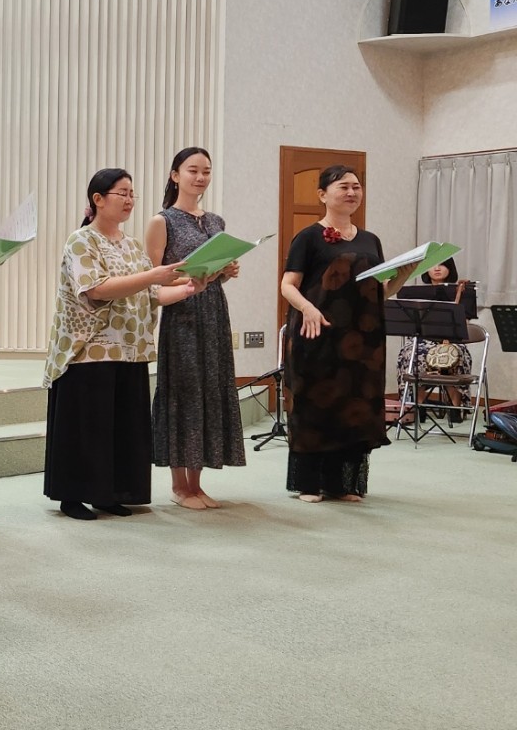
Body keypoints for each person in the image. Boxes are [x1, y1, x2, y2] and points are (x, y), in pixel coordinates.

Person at [43, 169, 200, 520]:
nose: (129, 200)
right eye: (122, 193)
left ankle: (109, 493)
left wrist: (191, 288)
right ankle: (73, 496)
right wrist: (152, 275)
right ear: (98, 199)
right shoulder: (82, 240)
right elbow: (96, 289)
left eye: (132, 194)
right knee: (88, 427)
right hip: (89, 348)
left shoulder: (131, 245)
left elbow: (151, 293)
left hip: (130, 347)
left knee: (120, 426)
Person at [279, 165, 414, 503]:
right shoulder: (308, 237)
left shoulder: (371, 240)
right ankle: (309, 484)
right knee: (315, 404)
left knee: (355, 405)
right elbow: (288, 285)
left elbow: (381, 290)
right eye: (343, 186)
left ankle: (342, 484)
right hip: (317, 332)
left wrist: (403, 275)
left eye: (357, 186)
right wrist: (308, 308)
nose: (352, 192)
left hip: (362, 339)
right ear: (322, 194)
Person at [144, 147, 246, 510]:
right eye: (192, 170)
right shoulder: (162, 221)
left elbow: (216, 274)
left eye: (206, 171)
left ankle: (197, 484)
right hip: (182, 312)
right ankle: (179, 486)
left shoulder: (216, 221)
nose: (200, 177)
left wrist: (226, 271)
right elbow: (152, 280)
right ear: (175, 176)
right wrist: (190, 280)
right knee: (183, 392)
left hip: (214, 310)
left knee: (209, 390)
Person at [395, 256, 473, 422]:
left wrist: (460, 294)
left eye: (442, 265)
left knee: (456, 354)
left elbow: (464, 324)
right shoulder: (415, 294)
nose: (437, 268)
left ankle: (455, 407)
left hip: (452, 341)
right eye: (433, 265)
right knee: (412, 352)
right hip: (423, 340)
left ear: (450, 269)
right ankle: (419, 405)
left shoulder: (461, 290)